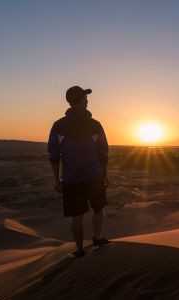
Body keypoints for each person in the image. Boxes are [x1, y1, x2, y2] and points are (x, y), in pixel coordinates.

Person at [47, 86, 110, 257]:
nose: (87, 100)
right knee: (98, 209)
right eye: (85, 98)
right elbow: (103, 152)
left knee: (77, 216)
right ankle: (97, 238)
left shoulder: (58, 126)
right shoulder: (95, 125)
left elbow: (53, 155)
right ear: (82, 101)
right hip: (94, 175)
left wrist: (57, 180)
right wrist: (104, 174)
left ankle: (80, 249)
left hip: (71, 178)